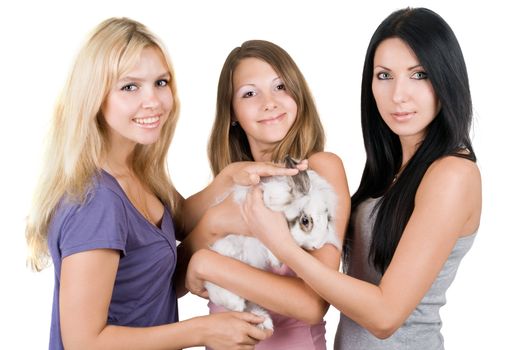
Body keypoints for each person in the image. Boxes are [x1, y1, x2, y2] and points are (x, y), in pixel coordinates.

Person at [230, 8, 482, 350]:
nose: (399, 95)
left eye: (419, 74)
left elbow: (384, 316)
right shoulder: (390, 169)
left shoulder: (453, 173)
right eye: (384, 76)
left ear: (446, 78)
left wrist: (282, 246)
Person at [25, 17, 272, 350]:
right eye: (130, 86)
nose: (153, 101)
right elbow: (83, 342)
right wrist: (202, 331)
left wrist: (229, 178)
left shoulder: (139, 172)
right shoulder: (97, 202)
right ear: (95, 97)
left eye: (160, 82)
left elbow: (179, 222)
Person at [181, 40, 351, 349]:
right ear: (231, 112)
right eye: (249, 93)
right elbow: (172, 280)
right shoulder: (226, 186)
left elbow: (313, 303)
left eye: (280, 87)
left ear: (298, 95)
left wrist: (207, 264)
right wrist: (213, 223)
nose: (269, 102)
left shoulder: (320, 171)